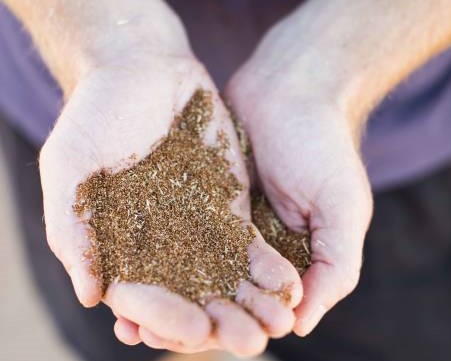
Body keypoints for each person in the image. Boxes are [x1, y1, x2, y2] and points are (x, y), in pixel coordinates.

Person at [1, 1, 451, 360]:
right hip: (95, 108)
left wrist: (325, 74)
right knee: (153, 335)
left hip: (392, 127)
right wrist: (109, 43)